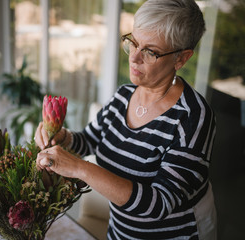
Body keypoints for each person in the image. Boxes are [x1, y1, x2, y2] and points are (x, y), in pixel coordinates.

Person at [35, 0, 217, 239]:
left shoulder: (192, 117)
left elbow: (159, 205)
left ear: (181, 59)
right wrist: (64, 138)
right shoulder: (124, 95)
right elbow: (90, 139)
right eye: (133, 43)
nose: (134, 58)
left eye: (150, 52)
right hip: (120, 233)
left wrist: (80, 168)